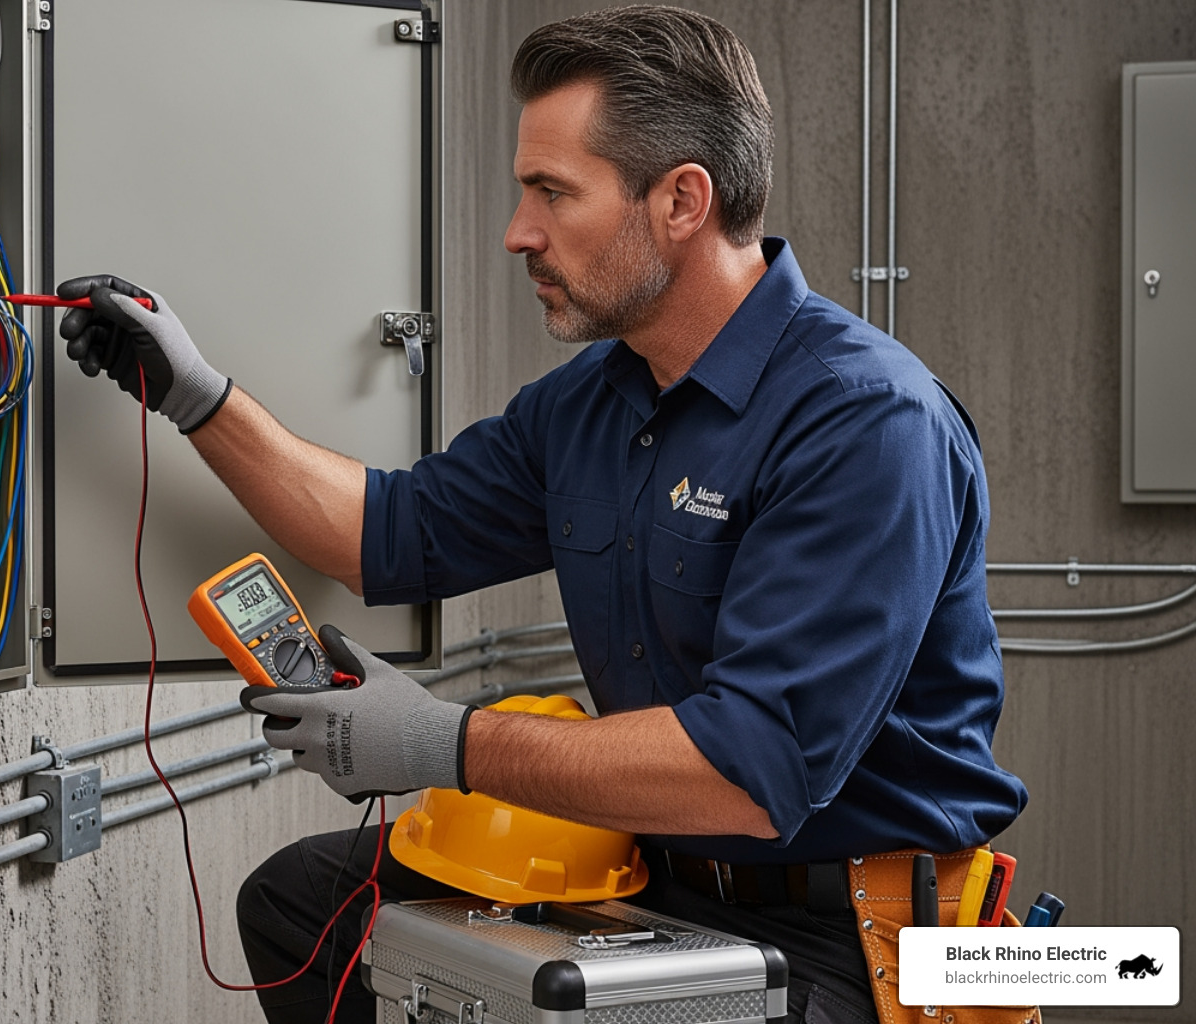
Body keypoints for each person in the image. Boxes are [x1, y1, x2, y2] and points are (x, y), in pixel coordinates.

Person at [57, 7, 1028, 1023]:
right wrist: (196, 395)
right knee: (308, 911)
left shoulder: (863, 421)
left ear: (681, 201)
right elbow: (381, 534)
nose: (520, 231)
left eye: (551, 193)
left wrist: (442, 740)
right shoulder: (594, 403)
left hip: (860, 945)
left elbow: (748, 770)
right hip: (658, 874)